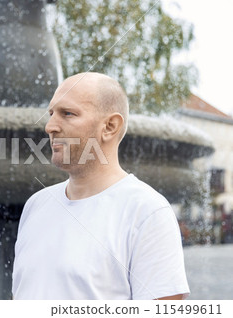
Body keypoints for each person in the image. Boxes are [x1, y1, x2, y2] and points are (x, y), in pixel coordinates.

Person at [12, 72, 190, 300]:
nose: (50, 126)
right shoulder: (36, 205)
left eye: (67, 113)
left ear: (110, 126)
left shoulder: (147, 212)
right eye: (51, 114)